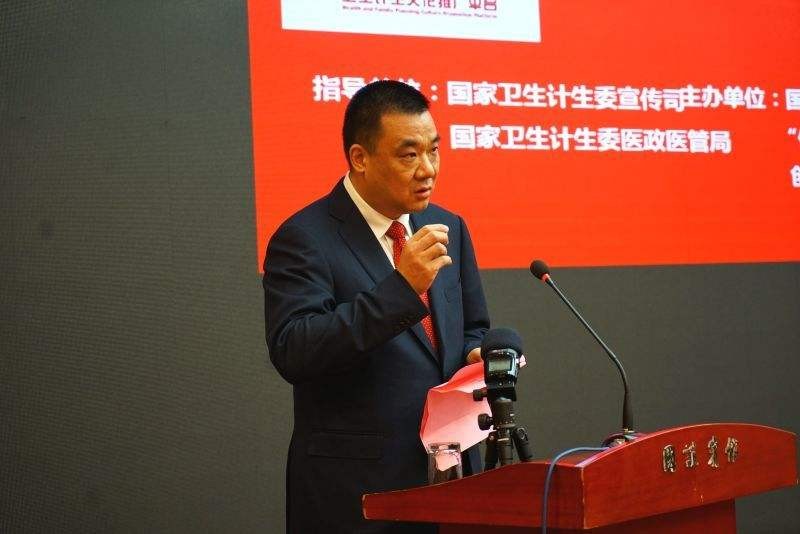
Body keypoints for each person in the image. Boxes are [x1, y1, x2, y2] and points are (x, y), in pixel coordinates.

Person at [263, 80, 490, 533]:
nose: (427, 169)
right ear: (360, 157)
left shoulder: (447, 225)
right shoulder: (304, 238)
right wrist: (401, 289)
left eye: (434, 150)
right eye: (409, 155)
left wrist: (475, 354)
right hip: (356, 493)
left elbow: (473, 328)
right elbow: (295, 349)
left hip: (451, 480)